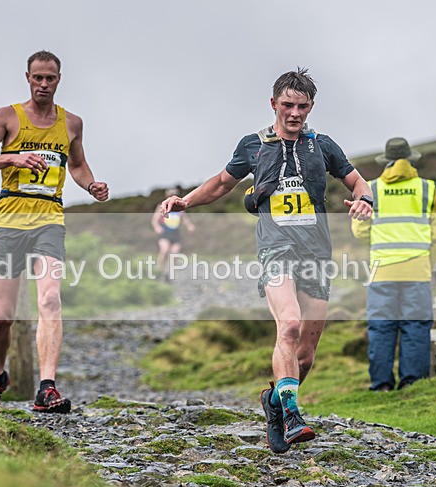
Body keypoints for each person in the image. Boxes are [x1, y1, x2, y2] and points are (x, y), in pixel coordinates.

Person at [160, 68, 373, 454]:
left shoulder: (323, 146)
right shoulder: (253, 146)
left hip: (316, 253)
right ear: (273, 103)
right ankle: (292, 416)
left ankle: (275, 403)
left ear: (311, 107)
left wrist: (364, 200)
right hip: (275, 248)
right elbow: (222, 183)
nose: (294, 113)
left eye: (302, 106)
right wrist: (185, 201)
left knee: (305, 357)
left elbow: (359, 181)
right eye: (287, 105)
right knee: (288, 325)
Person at [0, 50, 109, 414]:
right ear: (27, 78)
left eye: (50, 78)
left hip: (49, 219)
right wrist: (11, 157)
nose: (44, 84)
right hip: (9, 219)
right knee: (3, 314)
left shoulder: (72, 123)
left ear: (59, 79)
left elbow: (76, 165)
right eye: (37, 78)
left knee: (49, 300)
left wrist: (90, 185)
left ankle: (47, 388)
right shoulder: (7, 117)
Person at [351, 137, 436, 391]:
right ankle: (412, 384)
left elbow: (360, 231)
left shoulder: (371, 189)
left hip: (382, 271)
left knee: (382, 327)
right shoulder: (427, 188)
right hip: (417, 270)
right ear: (411, 160)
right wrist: (426, 264)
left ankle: (381, 385)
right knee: (415, 326)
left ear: (387, 161)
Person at [151, 187, 195, 280]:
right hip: (165, 233)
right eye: (170, 195)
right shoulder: (162, 206)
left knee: (175, 254)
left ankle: (169, 273)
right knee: (164, 250)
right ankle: (159, 271)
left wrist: (189, 226)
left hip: (176, 234)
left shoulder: (180, 208)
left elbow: (185, 219)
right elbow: (155, 220)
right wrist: (157, 227)